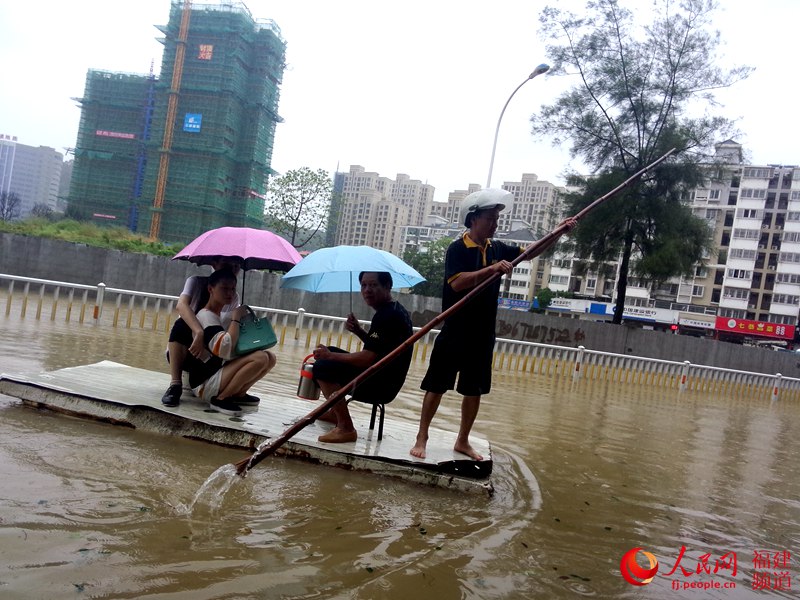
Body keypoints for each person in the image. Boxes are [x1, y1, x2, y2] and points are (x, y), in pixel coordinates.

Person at [410, 188, 577, 460]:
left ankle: (462, 440)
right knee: (437, 384)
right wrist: (492, 269)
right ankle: (422, 435)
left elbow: (531, 252)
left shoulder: (497, 247)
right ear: (474, 219)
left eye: (497, 218)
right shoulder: (457, 248)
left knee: (474, 388)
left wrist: (557, 232)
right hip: (455, 329)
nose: (496, 223)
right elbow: (457, 282)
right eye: (491, 217)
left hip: (482, 332)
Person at [311, 271, 413, 443]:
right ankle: (335, 412)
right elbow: (380, 348)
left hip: (381, 385)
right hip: (383, 376)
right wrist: (358, 331)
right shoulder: (393, 310)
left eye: (373, 285)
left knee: (322, 367)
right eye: (364, 285)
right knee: (330, 353)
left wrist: (329, 356)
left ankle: (345, 427)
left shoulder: (387, 315)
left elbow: (366, 359)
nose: (367, 290)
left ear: (387, 286)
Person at [186, 267, 277, 416]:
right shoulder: (205, 316)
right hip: (205, 383)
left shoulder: (221, 315)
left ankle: (238, 394)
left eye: (232, 289)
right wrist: (236, 318)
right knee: (260, 357)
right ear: (211, 289)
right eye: (224, 288)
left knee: (270, 358)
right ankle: (221, 398)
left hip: (218, 373)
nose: (229, 293)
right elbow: (223, 348)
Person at [161, 257, 241, 406]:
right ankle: (175, 384)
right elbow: (182, 306)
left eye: (236, 266)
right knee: (182, 324)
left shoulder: (233, 296)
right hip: (187, 347)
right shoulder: (196, 282)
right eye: (226, 264)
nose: (231, 269)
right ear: (214, 263)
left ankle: (237, 389)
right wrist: (198, 332)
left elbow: (224, 327)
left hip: (210, 349)